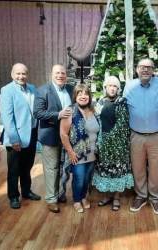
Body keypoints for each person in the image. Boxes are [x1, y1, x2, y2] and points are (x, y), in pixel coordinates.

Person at [123, 58, 158, 215]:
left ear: (153, 70)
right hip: (136, 135)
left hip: (157, 135)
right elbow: (122, 107)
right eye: (142, 67)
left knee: (156, 167)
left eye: (149, 67)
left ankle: (155, 198)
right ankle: (141, 195)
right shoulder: (129, 86)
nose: (145, 70)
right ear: (137, 69)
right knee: (138, 167)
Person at [0, 63, 41, 209]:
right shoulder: (6, 90)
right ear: (12, 75)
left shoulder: (32, 88)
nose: (21, 76)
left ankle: (26, 191)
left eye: (23, 73)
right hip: (15, 137)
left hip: (32, 134)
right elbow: (7, 117)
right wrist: (14, 139)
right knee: (14, 169)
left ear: (27, 75)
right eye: (18, 73)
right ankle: (13, 196)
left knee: (27, 166)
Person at [33, 64, 73, 213]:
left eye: (63, 73)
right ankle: (51, 199)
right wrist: (58, 114)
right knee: (52, 168)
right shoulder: (42, 90)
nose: (60, 75)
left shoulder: (70, 89)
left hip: (69, 135)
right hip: (50, 135)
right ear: (51, 74)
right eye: (57, 73)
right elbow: (37, 113)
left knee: (65, 167)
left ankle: (60, 193)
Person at [92, 76, 134, 211]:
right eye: (110, 85)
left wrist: (109, 139)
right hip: (102, 143)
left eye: (115, 86)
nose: (112, 88)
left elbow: (122, 124)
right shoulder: (100, 102)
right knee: (104, 170)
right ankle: (107, 196)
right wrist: (99, 141)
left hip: (118, 145)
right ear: (105, 87)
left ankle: (116, 197)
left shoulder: (122, 102)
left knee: (118, 171)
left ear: (118, 89)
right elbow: (96, 122)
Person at [60, 84, 100, 213]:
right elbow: (63, 134)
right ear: (75, 96)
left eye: (86, 93)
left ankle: (83, 197)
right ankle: (77, 200)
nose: (83, 96)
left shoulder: (94, 111)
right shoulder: (70, 111)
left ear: (89, 96)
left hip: (93, 152)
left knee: (87, 178)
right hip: (78, 152)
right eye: (80, 94)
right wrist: (70, 152)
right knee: (79, 178)